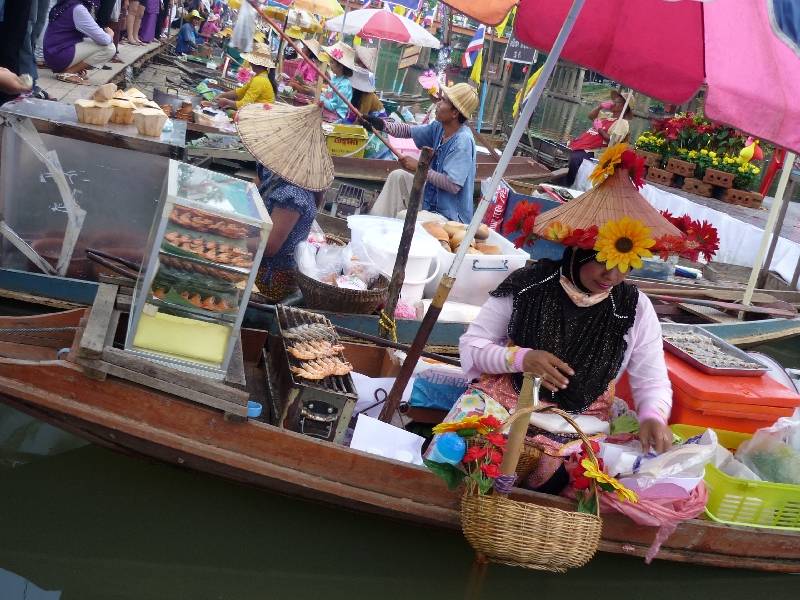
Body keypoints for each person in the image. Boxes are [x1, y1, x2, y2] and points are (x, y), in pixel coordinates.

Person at [432, 145, 675, 494]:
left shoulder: (635, 308)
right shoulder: (529, 285)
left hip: (580, 423)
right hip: (506, 404)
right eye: (603, 261)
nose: (612, 276)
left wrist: (653, 416)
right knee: (464, 450)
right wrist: (522, 358)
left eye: (625, 265)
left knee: (563, 479)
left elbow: (651, 379)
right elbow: (471, 347)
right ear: (577, 252)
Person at [235, 103, 333, 303]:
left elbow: (270, 245)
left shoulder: (293, 193)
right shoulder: (274, 170)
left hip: (268, 277)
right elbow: (252, 190)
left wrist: (228, 242)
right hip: (252, 250)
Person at [364, 82, 478, 224]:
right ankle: (374, 224)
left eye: (443, 101)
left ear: (455, 113)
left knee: (403, 217)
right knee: (398, 176)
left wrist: (420, 168)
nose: (438, 103)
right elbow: (409, 131)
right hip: (431, 201)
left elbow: (453, 185)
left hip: (450, 217)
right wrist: (382, 125)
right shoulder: (439, 127)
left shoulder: (462, 142)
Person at [563, 90, 635, 187]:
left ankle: (567, 184)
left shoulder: (622, 123)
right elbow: (591, 116)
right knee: (558, 149)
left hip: (594, 151)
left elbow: (612, 142)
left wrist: (600, 129)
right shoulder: (608, 116)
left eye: (617, 101)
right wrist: (601, 106)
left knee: (573, 159)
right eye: (613, 100)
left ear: (624, 107)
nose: (613, 103)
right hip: (583, 143)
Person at [43, 0, 116, 85]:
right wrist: (110, 34)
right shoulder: (78, 8)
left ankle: (73, 68)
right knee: (109, 48)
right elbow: (104, 40)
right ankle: (68, 72)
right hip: (58, 54)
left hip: (54, 52)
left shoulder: (72, 3)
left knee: (95, 42)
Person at [215, 43, 275, 110]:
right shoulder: (259, 76)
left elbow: (244, 105)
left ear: (253, 63)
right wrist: (222, 95)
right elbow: (241, 91)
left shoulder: (259, 80)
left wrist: (226, 102)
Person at [319, 41, 354, 123]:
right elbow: (328, 98)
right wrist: (318, 92)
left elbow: (332, 106)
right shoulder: (334, 79)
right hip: (327, 113)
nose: (330, 65)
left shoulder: (344, 84)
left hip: (336, 117)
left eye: (332, 62)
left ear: (340, 65)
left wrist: (316, 94)